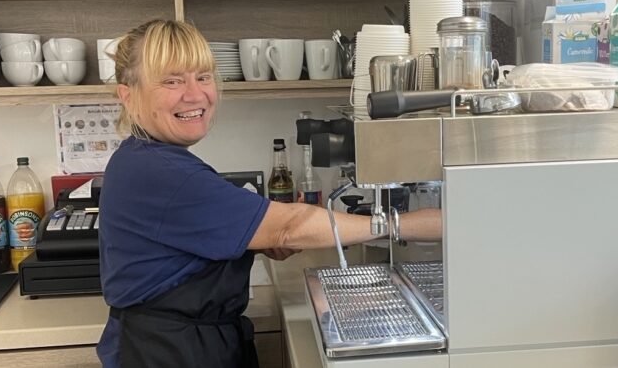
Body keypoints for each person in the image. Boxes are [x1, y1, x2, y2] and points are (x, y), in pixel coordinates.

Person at [96, 20, 442, 368]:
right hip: (168, 353)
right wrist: (408, 224)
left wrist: (258, 237)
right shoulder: (159, 172)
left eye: (203, 77)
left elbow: (225, 236)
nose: (195, 94)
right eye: (172, 80)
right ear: (128, 94)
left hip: (179, 345)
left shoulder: (145, 159)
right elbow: (290, 225)